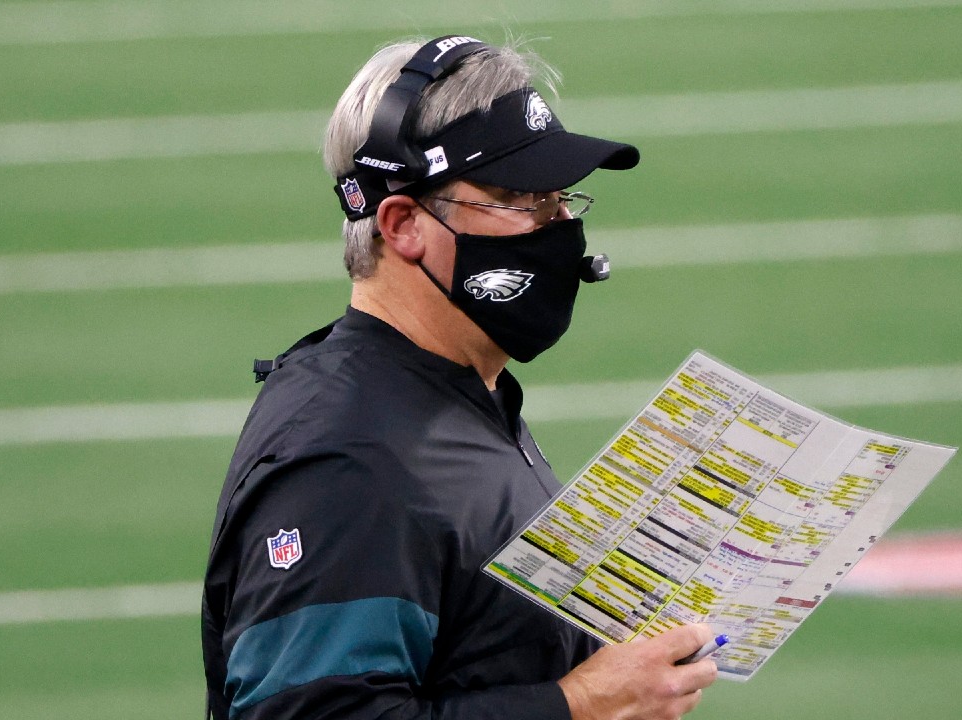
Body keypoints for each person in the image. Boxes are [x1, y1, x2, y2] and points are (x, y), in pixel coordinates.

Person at [201, 35, 720, 720]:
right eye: (521, 199)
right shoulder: (348, 461)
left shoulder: (456, 389)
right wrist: (583, 704)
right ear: (404, 224)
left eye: (562, 200)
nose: (558, 229)